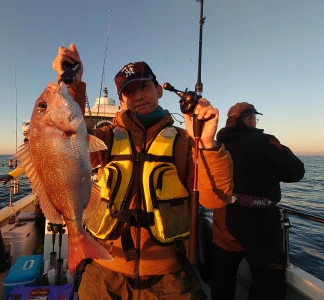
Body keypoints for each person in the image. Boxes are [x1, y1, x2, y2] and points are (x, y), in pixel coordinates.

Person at [52, 43, 234, 299]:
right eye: (128, 91)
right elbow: (65, 141)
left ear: (159, 90)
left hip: (168, 280)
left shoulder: (185, 141)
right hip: (104, 274)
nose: (137, 95)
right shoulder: (105, 137)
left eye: (144, 86)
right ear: (122, 100)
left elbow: (214, 199)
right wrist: (71, 82)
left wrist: (205, 142)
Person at [211, 102, 305, 300]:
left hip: (223, 218)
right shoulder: (265, 141)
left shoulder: (217, 146)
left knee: (223, 274)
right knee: (268, 278)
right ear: (251, 119)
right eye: (255, 118)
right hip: (260, 222)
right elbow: (296, 171)